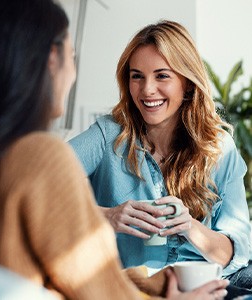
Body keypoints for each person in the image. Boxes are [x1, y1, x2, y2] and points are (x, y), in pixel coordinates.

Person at [0, 1, 229, 300]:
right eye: (73, 55)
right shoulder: (42, 156)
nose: (148, 89)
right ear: (51, 59)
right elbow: (100, 290)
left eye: (162, 76)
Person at [69, 20, 252, 298]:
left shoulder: (219, 148)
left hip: (205, 286)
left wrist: (190, 226)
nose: (147, 90)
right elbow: (41, 181)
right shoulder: (109, 135)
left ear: (187, 83)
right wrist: (107, 215)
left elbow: (233, 251)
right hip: (132, 288)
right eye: (137, 76)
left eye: (162, 76)